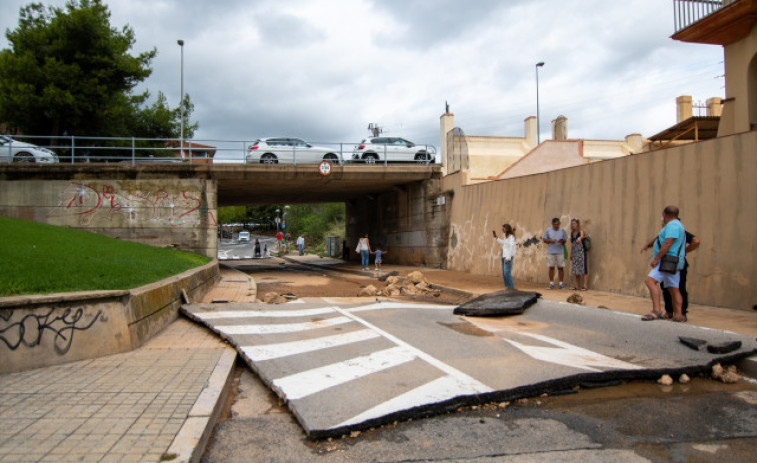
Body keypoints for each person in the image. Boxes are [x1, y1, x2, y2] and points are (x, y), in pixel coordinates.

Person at [642, 225, 700, 320]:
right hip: (668, 262)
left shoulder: (677, 230)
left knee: (676, 287)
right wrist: (648, 245)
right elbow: (659, 239)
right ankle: (673, 313)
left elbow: (696, 241)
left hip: (672, 262)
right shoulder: (668, 230)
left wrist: (685, 251)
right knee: (669, 287)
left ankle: (677, 312)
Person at [641, 205, 686, 322]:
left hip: (667, 260)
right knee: (673, 288)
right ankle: (678, 315)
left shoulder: (673, 226)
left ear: (665, 214)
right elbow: (661, 239)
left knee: (650, 281)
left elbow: (667, 243)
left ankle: (656, 310)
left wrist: (656, 259)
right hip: (673, 261)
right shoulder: (678, 225)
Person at [542, 217, 568, 289]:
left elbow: (565, 240)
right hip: (551, 251)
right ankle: (551, 283)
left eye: (557, 224)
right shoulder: (548, 230)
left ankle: (561, 283)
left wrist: (562, 241)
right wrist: (550, 240)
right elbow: (544, 239)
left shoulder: (562, 230)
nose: (556, 226)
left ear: (559, 224)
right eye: (555, 224)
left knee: (560, 267)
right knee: (551, 267)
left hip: (560, 251)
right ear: (552, 224)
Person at [493, 223, 516, 289]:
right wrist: (497, 238)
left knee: (507, 272)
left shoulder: (511, 237)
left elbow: (511, 247)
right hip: (504, 255)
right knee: (504, 272)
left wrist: (508, 257)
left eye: (503, 228)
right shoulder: (506, 237)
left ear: (507, 229)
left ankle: (511, 287)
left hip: (507, 256)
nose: (502, 229)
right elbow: (503, 243)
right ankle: (508, 286)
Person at [569, 218, 588, 290]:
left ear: (577, 224)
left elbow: (583, 236)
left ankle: (585, 285)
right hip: (575, 252)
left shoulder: (580, 231)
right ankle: (577, 285)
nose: (573, 225)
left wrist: (580, 237)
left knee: (583, 268)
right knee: (576, 269)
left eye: (574, 224)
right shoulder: (572, 233)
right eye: (572, 224)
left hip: (581, 252)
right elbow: (572, 244)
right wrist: (571, 253)